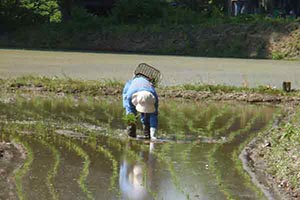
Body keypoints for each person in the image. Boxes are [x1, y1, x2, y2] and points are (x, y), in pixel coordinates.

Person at [122, 63, 160, 140]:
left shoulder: (153, 97)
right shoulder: (130, 95)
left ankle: (147, 133)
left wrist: (154, 135)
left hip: (145, 90)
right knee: (131, 115)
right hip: (131, 89)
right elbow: (128, 109)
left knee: (147, 116)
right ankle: (131, 134)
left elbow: (154, 115)